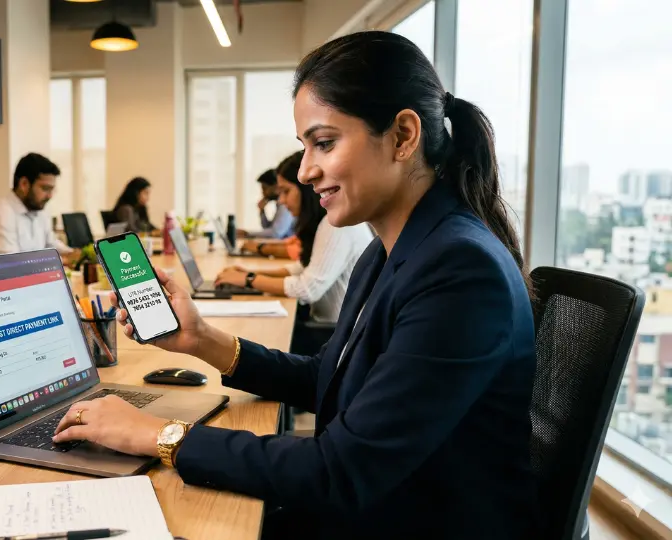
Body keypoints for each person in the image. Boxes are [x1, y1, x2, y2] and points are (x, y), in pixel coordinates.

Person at [52, 32, 537, 539]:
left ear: (403, 136)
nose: (306, 171)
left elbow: (338, 471)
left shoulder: (460, 271)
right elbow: (330, 377)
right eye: (305, 146)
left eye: (324, 143)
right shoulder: (391, 249)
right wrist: (203, 340)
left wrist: (158, 435)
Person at [215, 151, 372, 323]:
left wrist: (248, 280)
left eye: (286, 191)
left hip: (338, 337)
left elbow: (307, 289)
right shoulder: (323, 222)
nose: (281, 200)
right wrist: (252, 273)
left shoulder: (336, 225)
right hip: (327, 328)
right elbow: (301, 268)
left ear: (307, 190)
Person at [0, 153, 78, 263]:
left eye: (52, 190)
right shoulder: (0, 214)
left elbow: (51, 244)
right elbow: (12, 263)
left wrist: (73, 254)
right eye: (45, 188)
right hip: (2, 278)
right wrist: (62, 260)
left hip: (34, 276)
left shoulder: (38, 209)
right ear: (24, 184)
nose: (50, 196)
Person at [240, 169, 294, 239]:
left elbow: (275, 233)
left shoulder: (285, 205)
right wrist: (262, 211)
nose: (263, 193)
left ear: (276, 186)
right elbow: (268, 228)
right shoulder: (279, 205)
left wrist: (247, 233)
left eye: (265, 188)